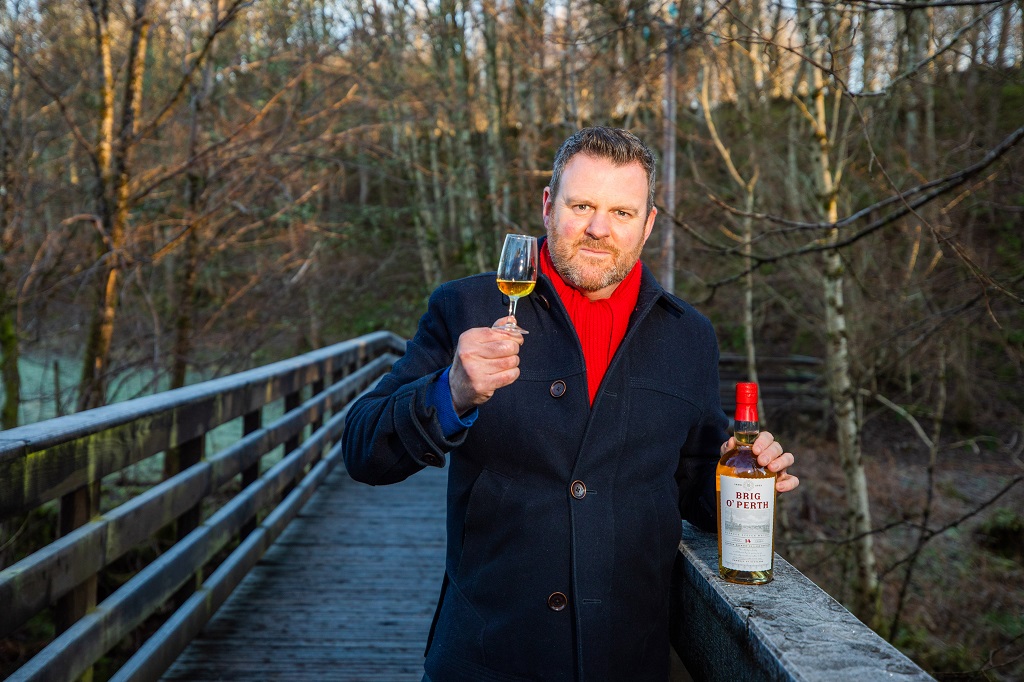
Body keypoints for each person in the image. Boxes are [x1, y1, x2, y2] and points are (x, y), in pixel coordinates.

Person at [342, 126, 798, 682]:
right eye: (581, 205)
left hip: (626, 662)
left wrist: (749, 477)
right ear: (547, 205)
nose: (599, 229)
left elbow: (695, 484)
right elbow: (363, 450)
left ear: (649, 223)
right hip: (487, 658)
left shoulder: (689, 337)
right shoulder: (466, 306)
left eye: (623, 213)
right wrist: (450, 392)